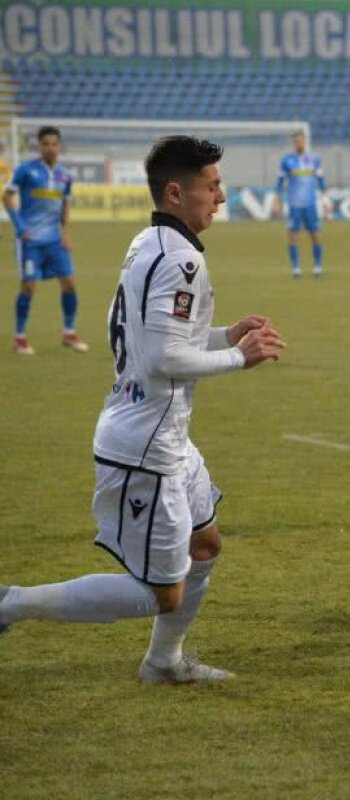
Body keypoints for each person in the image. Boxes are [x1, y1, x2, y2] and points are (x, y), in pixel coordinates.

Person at [0, 136, 285, 684]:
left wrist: (226, 333)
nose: (221, 197)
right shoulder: (177, 260)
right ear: (176, 192)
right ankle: (10, 603)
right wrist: (236, 355)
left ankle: (164, 663)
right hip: (146, 443)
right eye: (212, 186)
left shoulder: (147, 242)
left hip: (167, 436)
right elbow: (160, 357)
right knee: (161, 592)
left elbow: (148, 335)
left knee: (205, 544)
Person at [4, 125, 87, 355]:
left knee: (70, 284)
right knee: (28, 287)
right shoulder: (25, 170)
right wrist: (20, 227)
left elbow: (64, 205)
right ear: (38, 146)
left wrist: (66, 234)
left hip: (55, 241)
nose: (50, 148)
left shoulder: (65, 175)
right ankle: (20, 337)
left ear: (59, 147)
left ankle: (69, 333)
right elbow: (7, 195)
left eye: (54, 144)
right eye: (45, 144)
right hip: (30, 241)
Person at [273, 130, 325, 278]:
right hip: (294, 204)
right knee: (293, 236)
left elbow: (321, 180)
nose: (299, 143)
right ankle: (296, 268)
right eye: (296, 141)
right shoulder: (287, 160)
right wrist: (278, 200)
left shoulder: (314, 159)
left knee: (315, 235)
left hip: (310, 205)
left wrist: (325, 199)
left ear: (305, 142)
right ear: (293, 143)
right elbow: (280, 182)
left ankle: (317, 267)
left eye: (301, 140)